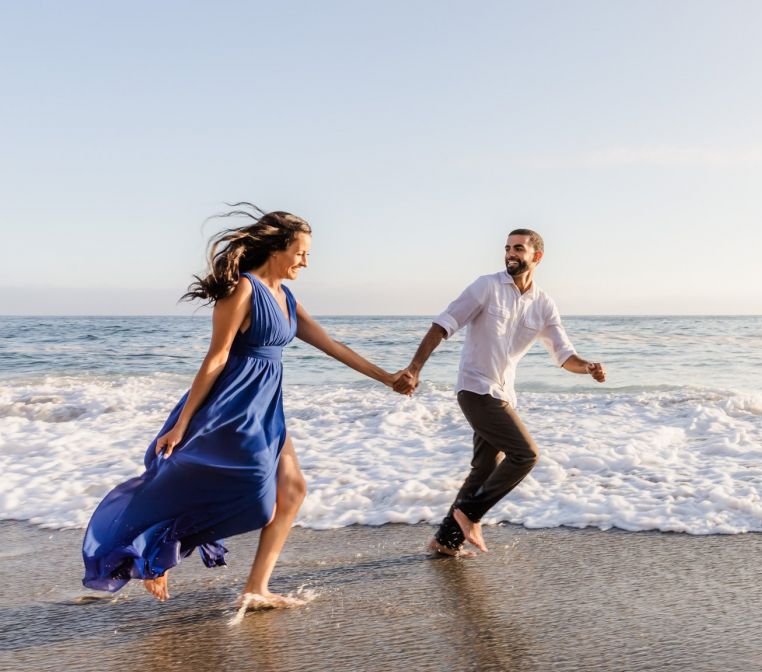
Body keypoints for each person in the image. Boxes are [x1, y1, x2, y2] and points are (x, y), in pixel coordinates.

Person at [82, 205, 413, 605]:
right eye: (301, 252)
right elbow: (217, 357)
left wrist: (388, 378)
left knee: (292, 490)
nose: (306, 261)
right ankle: (157, 551)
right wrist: (182, 423)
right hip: (231, 406)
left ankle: (255, 588)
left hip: (266, 405)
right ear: (277, 249)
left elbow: (332, 346)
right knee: (257, 499)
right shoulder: (243, 289)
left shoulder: (286, 297)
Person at [394, 228, 606, 556]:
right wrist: (415, 368)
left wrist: (588, 367)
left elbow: (564, 356)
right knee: (526, 454)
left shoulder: (544, 304)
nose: (510, 253)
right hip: (475, 388)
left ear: (537, 257)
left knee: (484, 469)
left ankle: (445, 541)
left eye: (518, 248)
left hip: (504, 394)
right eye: (507, 247)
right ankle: (471, 514)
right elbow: (442, 325)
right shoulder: (486, 287)